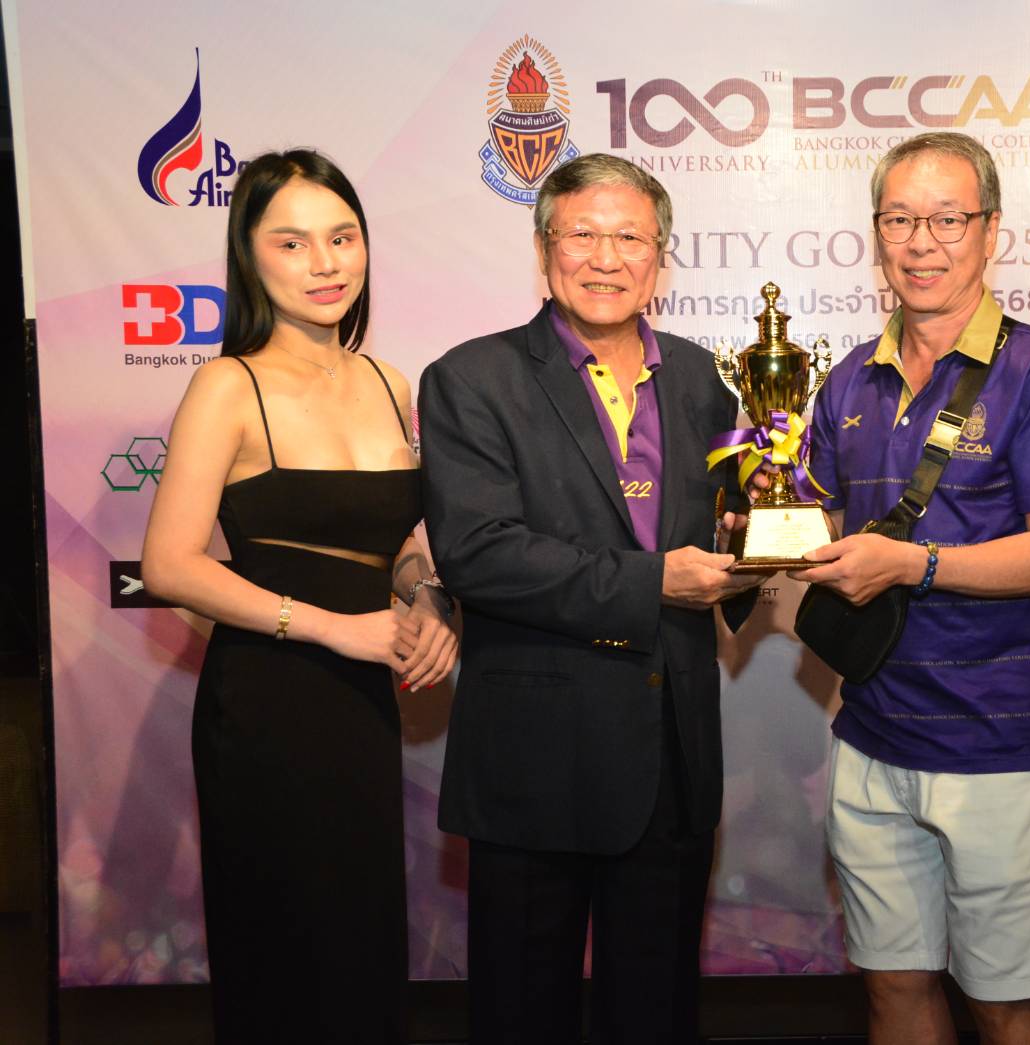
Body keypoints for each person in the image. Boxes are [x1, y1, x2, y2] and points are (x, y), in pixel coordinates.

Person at [418, 153, 759, 1045]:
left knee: (656, 1014)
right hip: (538, 760)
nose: (607, 258)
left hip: (671, 755)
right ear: (544, 250)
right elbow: (479, 554)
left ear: (660, 257)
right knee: (522, 1014)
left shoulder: (701, 378)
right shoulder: (472, 378)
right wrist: (656, 581)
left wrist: (758, 540)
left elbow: (729, 522)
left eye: (630, 238)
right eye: (583, 235)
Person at [141, 149, 457, 1043]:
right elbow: (168, 564)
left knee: (361, 940)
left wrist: (426, 594)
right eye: (293, 242)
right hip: (266, 704)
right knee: (283, 953)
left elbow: (394, 540)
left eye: (342, 237)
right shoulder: (227, 385)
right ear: (250, 256)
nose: (325, 263)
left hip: (363, 707)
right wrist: (333, 629)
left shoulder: (389, 382)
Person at [795, 131, 1030, 1045]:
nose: (921, 242)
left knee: (1006, 1002)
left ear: (991, 230)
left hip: (994, 740)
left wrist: (912, 564)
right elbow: (815, 526)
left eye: (946, 219)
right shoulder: (848, 379)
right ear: (876, 233)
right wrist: (761, 524)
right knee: (893, 988)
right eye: (899, 220)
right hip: (871, 730)